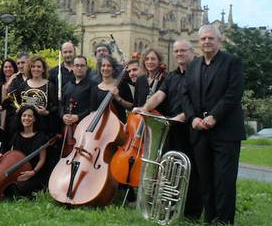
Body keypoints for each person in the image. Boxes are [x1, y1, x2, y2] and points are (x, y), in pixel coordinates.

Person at [182, 25, 245, 224]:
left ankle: (224, 221)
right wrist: (192, 118)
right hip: (200, 132)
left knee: (224, 181)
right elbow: (185, 95)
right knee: (205, 180)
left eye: (210, 38)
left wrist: (214, 116)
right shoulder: (193, 65)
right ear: (198, 42)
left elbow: (233, 93)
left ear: (219, 40)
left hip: (225, 132)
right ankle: (210, 219)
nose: (206, 42)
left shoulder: (232, 62)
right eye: (203, 39)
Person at [138, 39, 202, 220]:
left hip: (189, 128)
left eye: (183, 51)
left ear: (192, 52)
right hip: (170, 127)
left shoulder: (197, 75)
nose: (180, 54)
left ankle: (191, 213)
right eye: (177, 51)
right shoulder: (172, 76)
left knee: (190, 173)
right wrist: (145, 108)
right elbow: (159, 95)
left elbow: (197, 103)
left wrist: (180, 118)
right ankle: (169, 208)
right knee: (168, 170)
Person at [8, 105, 48, 198]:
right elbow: (12, 155)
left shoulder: (40, 136)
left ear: (34, 119)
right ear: (20, 118)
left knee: (23, 187)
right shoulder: (16, 135)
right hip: (19, 171)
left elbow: (42, 159)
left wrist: (33, 172)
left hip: (35, 172)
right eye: (24, 115)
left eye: (30, 116)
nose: (26, 118)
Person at [92, 55, 132, 123]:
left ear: (113, 69)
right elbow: (92, 111)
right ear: (99, 68)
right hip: (100, 125)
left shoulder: (122, 85)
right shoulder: (95, 88)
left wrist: (119, 98)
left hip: (119, 125)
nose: (106, 68)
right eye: (103, 65)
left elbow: (132, 107)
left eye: (109, 66)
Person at [59, 56, 96, 128]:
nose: (79, 68)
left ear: (86, 68)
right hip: (67, 127)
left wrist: (79, 117)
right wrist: (63, 115)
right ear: (73, 67)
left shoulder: (93, 85)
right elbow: (61, 104)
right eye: (77, 65)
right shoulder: (67, 85)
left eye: (82, 66)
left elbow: (94, 107)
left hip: (85, 126)